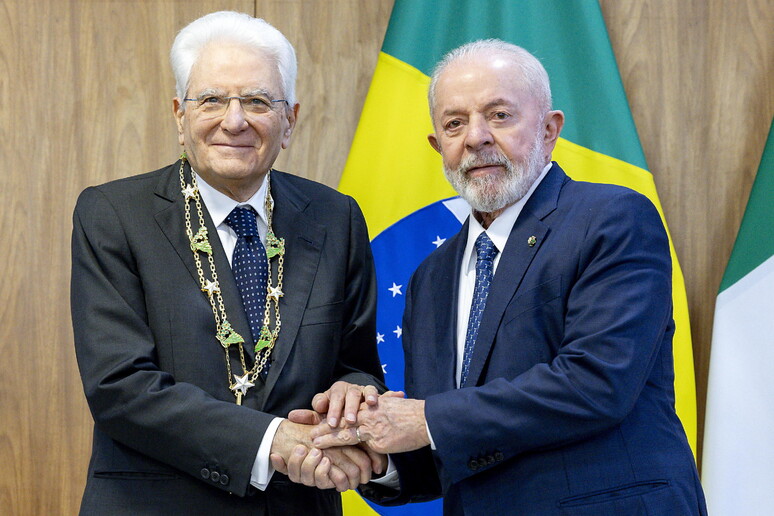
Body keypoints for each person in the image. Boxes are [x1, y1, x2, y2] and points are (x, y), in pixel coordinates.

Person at [290, 39, 708, 515]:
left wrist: (422, 418)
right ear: (437, 146)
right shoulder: (431, 278)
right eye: (454, 124)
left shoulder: (613, 218)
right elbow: (453, 446)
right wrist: (375, 454)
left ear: (550, 129)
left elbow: (597, 383)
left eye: (500, 115)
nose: (476, 137)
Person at [70, 11, 385, 515]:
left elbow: (358, 364)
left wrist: (353, 394)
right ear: (179, 115)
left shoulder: (336, 218)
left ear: (290, 121)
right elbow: (119, 386)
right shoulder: (114, 215)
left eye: (258, 101)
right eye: (212, 99)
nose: (234, 120)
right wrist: (271, 441)